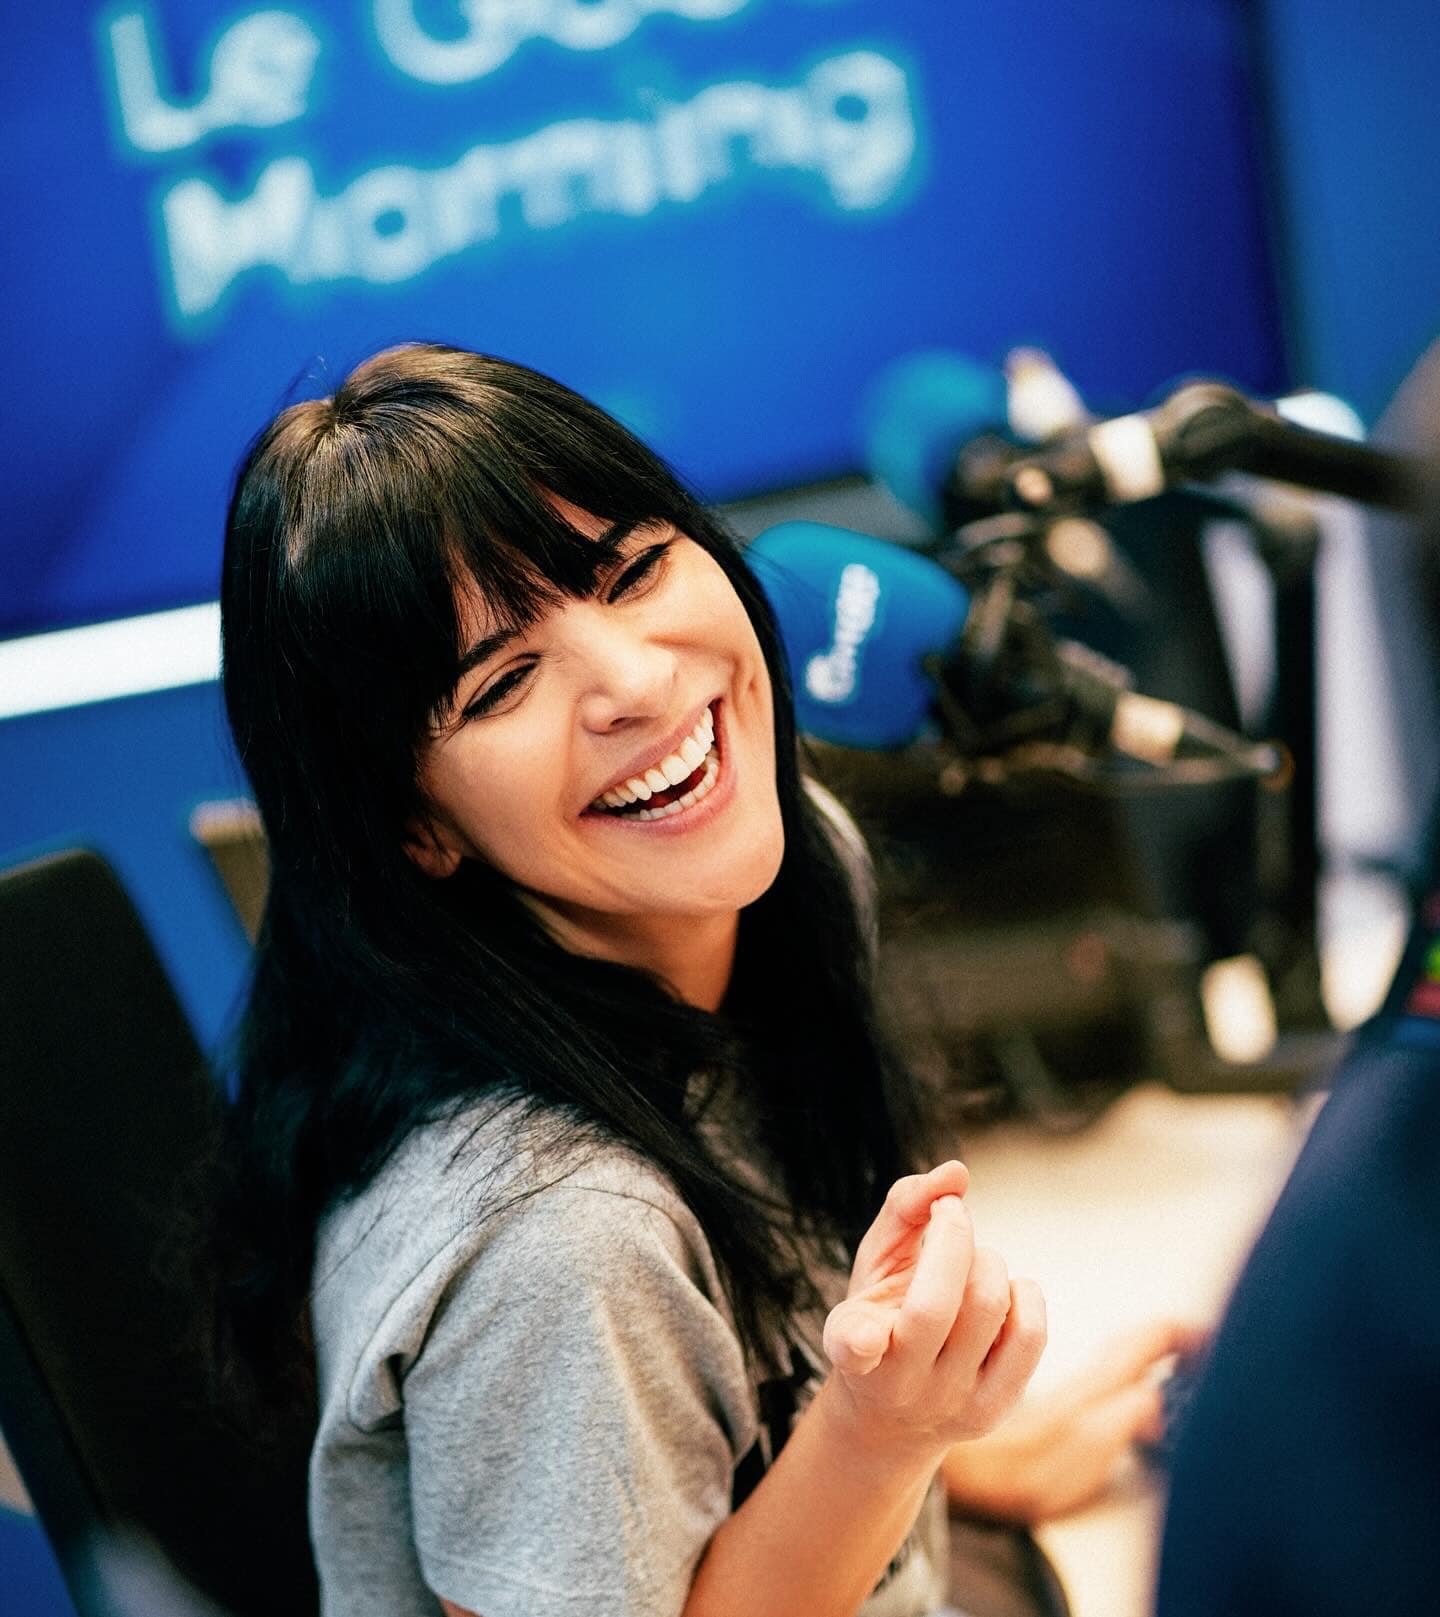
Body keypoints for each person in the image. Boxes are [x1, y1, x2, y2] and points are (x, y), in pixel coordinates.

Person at [215, 343, 1191, 1617]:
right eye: (503, 683)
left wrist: (939, 1468)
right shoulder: (560, 1241)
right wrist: (881, 1438)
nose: (632, 681)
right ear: (417, 828)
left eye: (630, 571)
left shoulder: (794, 872)